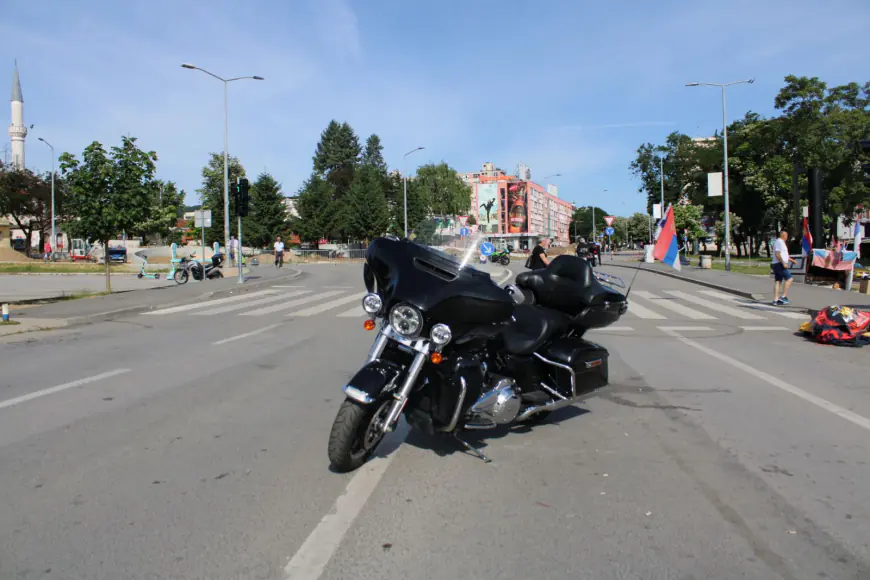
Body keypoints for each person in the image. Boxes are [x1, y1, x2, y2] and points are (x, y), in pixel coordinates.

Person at [771, 229, 796, 305]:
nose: (787, 237)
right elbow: (777, 254)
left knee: (778, 281)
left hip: (776, 264)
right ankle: (783, 297)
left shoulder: (781, 242)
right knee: (789, 279)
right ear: (783, 235)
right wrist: (783, 263)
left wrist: (791, 260)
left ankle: (775, 300)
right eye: (787, 235)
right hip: (779, 264)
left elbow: (783, 255)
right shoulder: (779, 242)